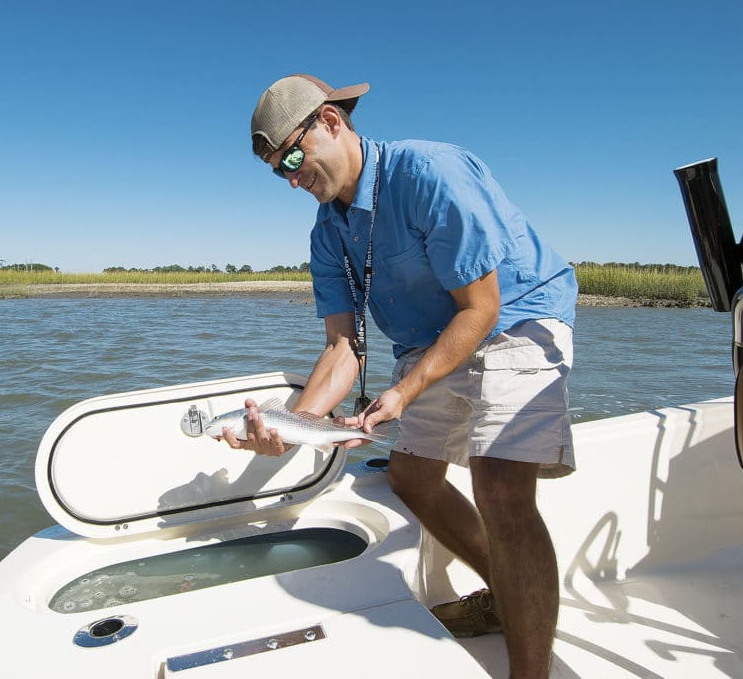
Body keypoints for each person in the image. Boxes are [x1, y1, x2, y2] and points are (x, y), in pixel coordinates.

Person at [221, 74, 578, 678]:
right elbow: (343, 347)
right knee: (412, 479)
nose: (290, 176)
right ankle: (510, 595)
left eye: (291, 156)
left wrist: (404, 390)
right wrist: (298, 425)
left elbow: (481, 309)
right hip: (430, 341)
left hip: (517, 317)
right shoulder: (326, 232)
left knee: (498, 487)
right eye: (276, 170)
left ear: (331, 122)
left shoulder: (427, 173)